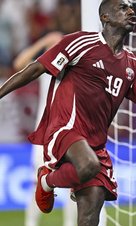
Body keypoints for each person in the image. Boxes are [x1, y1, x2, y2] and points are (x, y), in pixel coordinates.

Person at [0, 0, 136, 226]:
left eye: (132, 8)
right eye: (123, 8)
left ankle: (48, 181)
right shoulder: (81, 43)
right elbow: (35, 69)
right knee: (89, 164)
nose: (131, 12)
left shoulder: (133, 65)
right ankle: (46, 181)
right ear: (105, 17)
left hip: (96, 144)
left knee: (89, 218)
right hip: (64, 128)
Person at [13, 32, 107, 226]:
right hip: (45, 137)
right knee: (37, 183)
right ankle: (30, 223)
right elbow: (18, 65)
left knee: (76, 184)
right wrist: (43, 40)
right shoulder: (45, 69)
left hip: (72, 136)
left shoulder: (76, 69)